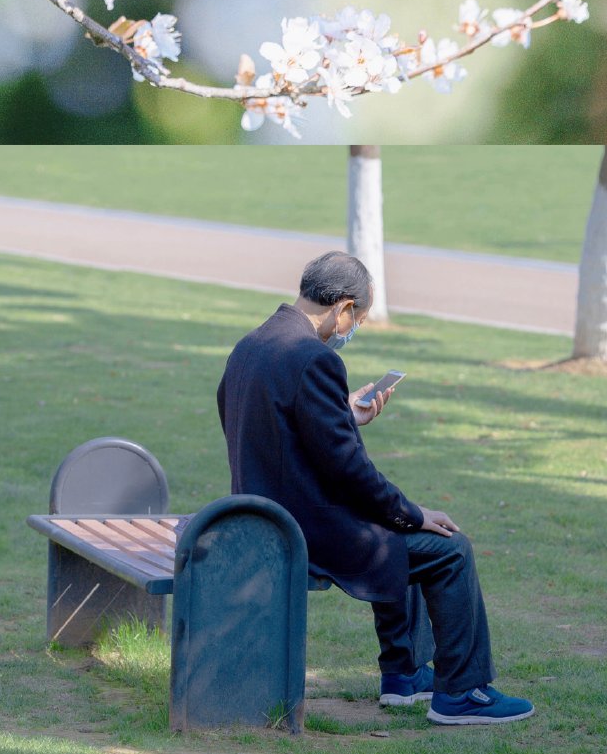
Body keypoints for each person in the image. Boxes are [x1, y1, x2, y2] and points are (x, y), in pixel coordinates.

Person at [216, 249, 534, 726]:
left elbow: (263, 424)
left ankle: (403, 677)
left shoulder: (251, 345)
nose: (352, 329)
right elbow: (351, 470)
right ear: (343, 307)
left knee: (393, 530)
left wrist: (340, 412)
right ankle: (462, 693)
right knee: (447, 547)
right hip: (305, 529)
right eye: (357, 319)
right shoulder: (313, 358)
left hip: (262, 516)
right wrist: (413, 513)